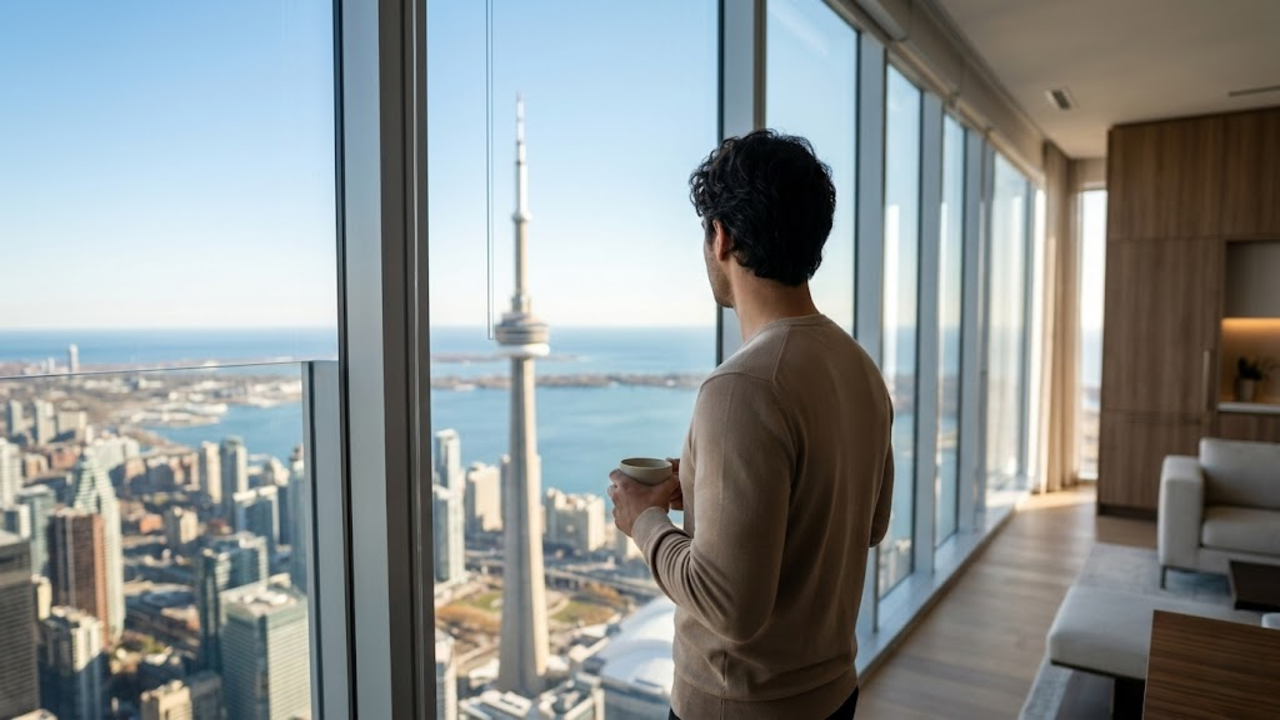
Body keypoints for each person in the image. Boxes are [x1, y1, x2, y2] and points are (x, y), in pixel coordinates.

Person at [607, 130, 894, 719]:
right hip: (833, 693)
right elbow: (869, 522)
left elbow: (729, 606)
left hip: (738, 706)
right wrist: (711, 489)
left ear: (721, 236)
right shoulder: (859, 367)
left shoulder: (740, 388)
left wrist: (644, 520)